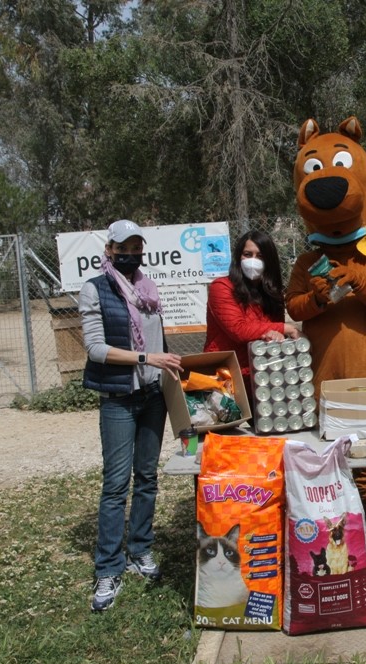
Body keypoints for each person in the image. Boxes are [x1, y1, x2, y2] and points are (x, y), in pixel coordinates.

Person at [80, 219, 185, 612]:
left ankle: (140, 549)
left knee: (147, 478)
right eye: (123, 248)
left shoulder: (147, 288)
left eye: (136, 247)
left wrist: (167, 371)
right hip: (119, 399)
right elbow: (94, 348)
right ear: (109, 250)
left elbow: (158, 341)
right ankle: (108, 567)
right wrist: (146, 357)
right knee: (115, 485)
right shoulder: (95, 288)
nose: (130, 254)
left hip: (154, 395)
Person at [203, 230, 300, 399]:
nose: (253, 261)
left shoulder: (272, 294)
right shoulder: (222, 287)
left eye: (260, 255)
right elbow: (238, 330)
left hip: (262, 379)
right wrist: (284, 328)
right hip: (226, 379)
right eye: (247, 254)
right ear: (238, 257)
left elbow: (275, 335)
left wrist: (276, 334)